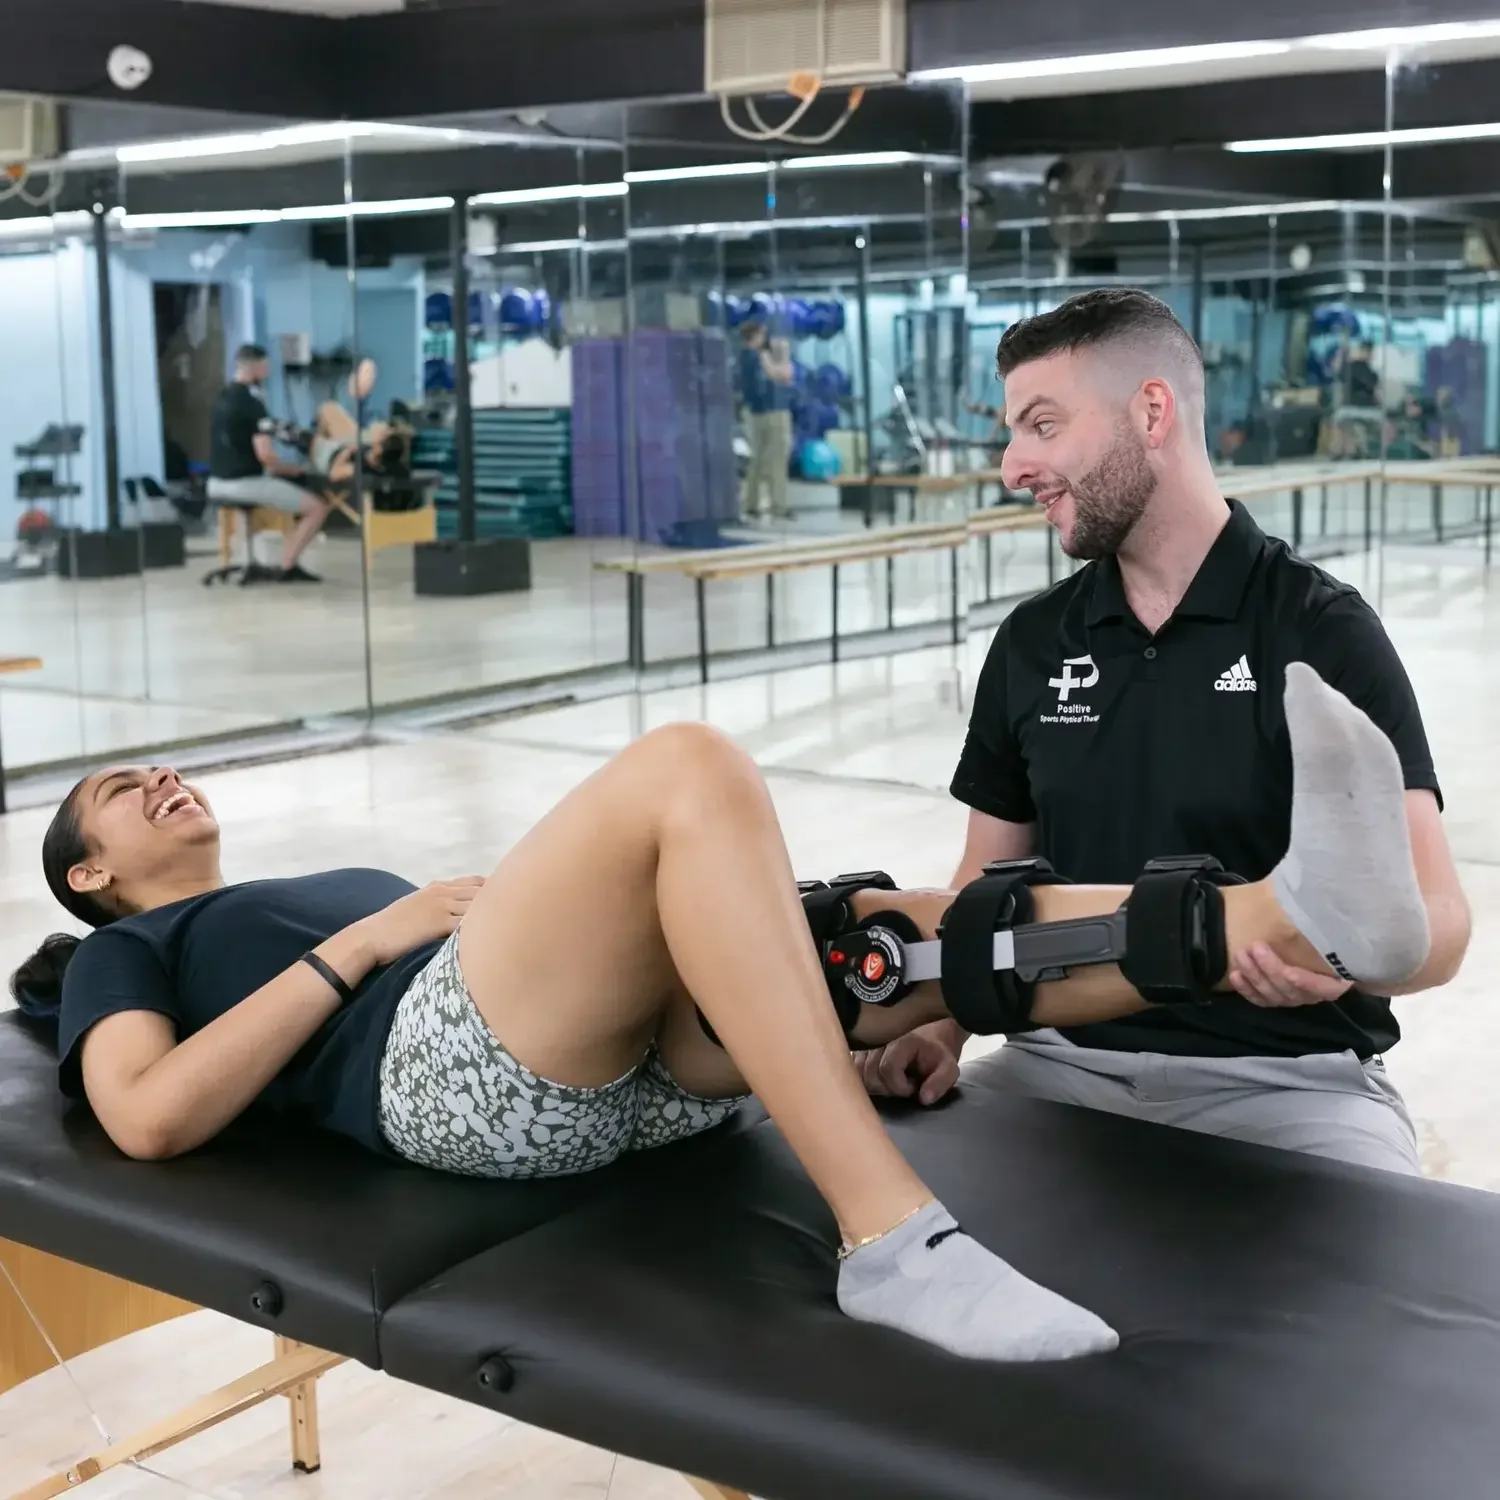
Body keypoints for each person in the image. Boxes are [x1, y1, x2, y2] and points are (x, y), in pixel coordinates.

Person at [8, 667, 1432, 1360]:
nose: (157, 783)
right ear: (90, 877)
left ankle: (1291, 917)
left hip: (616, 1071)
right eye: (119, 797)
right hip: (448, 1083)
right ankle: (891, 1239)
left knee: (870, 940)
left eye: (161, 769)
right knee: (687, 762)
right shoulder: (140, 953)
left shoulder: (298, 878)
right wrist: (374, 935)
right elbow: (143, 1115)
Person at [858, 288, 1470, 1175]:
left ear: (1151, 412)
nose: (1011, 466)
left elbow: (1440, 922)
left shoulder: (1318, 630)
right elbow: (979, 886)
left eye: (1041, 424)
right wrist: (944, 1025)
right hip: (1058, 1061)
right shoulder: (1034, 644)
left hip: (1290, 1086)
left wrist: (1355, 963)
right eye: (1012, 432)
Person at [207, 344, 331, 584]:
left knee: (284, 490)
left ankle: (260, 561)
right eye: (265, 366)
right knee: (317, 508)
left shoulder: (221, 398)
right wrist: (296, 468)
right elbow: (266, 456)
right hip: (244, 483)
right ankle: (288, 565)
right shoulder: (252, 404)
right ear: (256, 367)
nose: (268, 370)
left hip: (216, 483)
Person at [739, 320, 795, 520]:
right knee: (777, 459)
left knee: (758, 459)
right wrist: (784, 355)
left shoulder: (744, 357)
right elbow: (784, 375)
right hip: (773, 411)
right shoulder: (760, 356)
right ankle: (779, 505)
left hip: (755, 412)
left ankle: (750, 502)